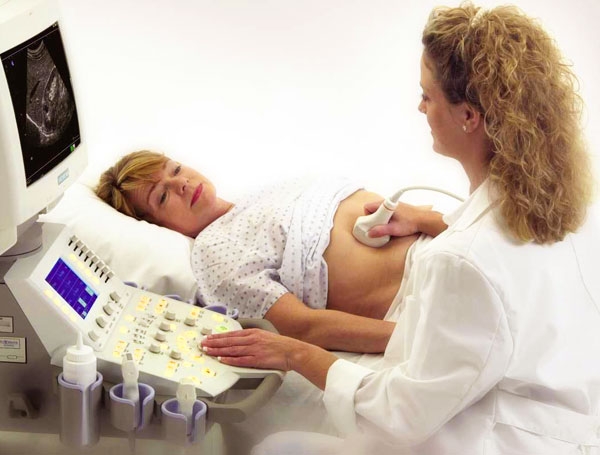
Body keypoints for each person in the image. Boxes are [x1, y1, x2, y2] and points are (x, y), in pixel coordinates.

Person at [200, 3, 600, 454]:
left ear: (469, 116)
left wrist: (297, 354)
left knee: (275, 449)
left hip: (499, 440)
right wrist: (428, 220)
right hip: (563, 418)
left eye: (428, 96)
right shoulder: (566, 208)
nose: (420, 106)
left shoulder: (463, 262)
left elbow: (404, 414)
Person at [95, 150, 445, 354]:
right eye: (162, 196)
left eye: (174, 169)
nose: (181, 183)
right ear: (158, 227)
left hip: (444, 242)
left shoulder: (259, 196)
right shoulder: (212, 256)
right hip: (426, 292)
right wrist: (418, 340)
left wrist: (428, 221)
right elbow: (302, 329)